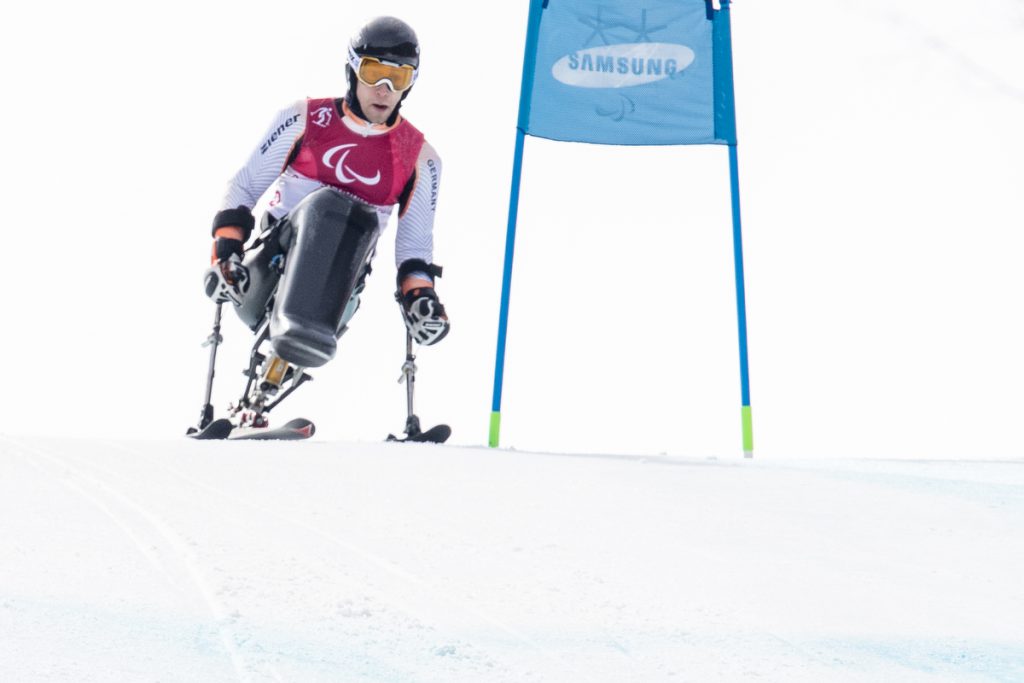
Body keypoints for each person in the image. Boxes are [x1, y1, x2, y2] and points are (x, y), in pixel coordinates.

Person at [202, 16, 449, 420]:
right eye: (374, 72)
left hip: (337, 288)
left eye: (398, 78)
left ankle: (259, 398)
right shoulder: (304, 118)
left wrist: (421, 299)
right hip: (267, 271)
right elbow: (244, 187)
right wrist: (226, 252)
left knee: (356, 218)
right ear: (352, 69)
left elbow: (415, 246)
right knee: (329, 205)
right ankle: (276, 351)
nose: (384, 90)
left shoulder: (420, 157)